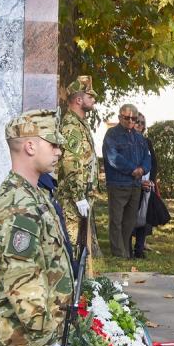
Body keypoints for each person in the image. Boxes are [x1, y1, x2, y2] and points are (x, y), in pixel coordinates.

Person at [0, 109, 74, 346]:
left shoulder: (35, 194)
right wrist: (46, 341)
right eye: (54, 144)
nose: (60, 151)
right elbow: (21, 280)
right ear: (30, 146)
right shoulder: (16, 203)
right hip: (23, 339)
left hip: (37, 333)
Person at [57, 75, 102, 257]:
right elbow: (70, 162)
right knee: (72, 245)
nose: (93, 100)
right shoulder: (71, 126)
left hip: (81, 197)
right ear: (78, 99)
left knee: (81, 247)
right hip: (72, 200)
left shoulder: (80, 124)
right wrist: (78, 196)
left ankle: (82, 282)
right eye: (89, 96)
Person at [103, 104, 151, 258]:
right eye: (127, 118)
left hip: (135, 185)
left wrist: (143, 169)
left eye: (134, 118)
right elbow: (113, 157)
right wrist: (132, 169)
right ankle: (118, 253)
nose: (131, 121)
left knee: (130, 221)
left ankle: (125, 251)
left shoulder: (139, 137)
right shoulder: (112, 134)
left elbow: (147, 157)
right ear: (119, 117)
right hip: (118, 184)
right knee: (116, 220)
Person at [131, 112, 158, 258]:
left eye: (143, 123)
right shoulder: (128, 141)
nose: (140, 125)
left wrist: (151, 180)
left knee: (144, 218)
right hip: (133, 184)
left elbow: (153, 163)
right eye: (137, 122)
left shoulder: (147, 142)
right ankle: (127, 249)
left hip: (147, 185)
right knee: (130, 217)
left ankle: (139, 249)